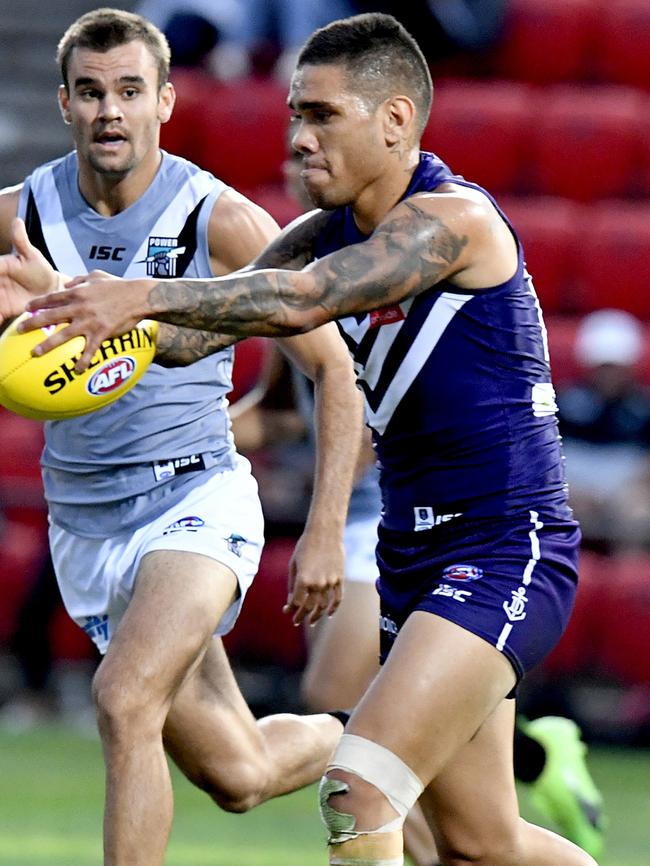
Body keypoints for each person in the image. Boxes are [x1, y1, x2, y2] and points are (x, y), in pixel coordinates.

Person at [2, 12, 604, 866]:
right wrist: (61, 304)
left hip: (505, 546)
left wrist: (133, 295)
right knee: (482, 842)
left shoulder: (450, 222)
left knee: (356, 793)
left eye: (321, 115)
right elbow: (193, 336)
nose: (298, 137)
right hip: (413, 552)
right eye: (294, 114)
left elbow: (303, 301)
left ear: (395, 121)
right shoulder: (328, 232)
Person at [0, 9, 363, 866]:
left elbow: (335, 370)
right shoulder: (22, 218)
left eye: (130, 91)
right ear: (64, 104)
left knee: (125, 699)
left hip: (194, 499)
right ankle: (389, 737)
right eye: (91, 93)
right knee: (237, 774)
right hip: (85, 526)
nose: (110, 113)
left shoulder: (218, 221)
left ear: (165, 100)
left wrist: (323, 530)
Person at [556, 308, 650, 550]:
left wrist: (633, 489)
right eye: (603, 367)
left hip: (628, 486)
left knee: (639, 514)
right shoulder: (564, 403)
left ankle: (630, 583)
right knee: (563, 509)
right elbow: (547, 459)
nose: (609, 376)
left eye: (616, 367)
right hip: (576, 485)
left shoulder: (643, 408)